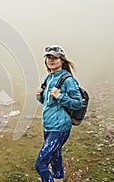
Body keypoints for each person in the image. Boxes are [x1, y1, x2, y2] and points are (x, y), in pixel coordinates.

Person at [35, 45, 83, 182]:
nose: (51, 60)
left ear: (62, 60)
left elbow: (78, 103)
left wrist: (60, 96)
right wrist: (39, 96)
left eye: (55, 57)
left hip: (60, 127)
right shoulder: (48, 78)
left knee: (40, 164)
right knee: (56, 158)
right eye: (48, 57)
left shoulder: (68, 80)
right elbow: (48, 103)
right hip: (48, 126)